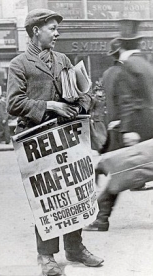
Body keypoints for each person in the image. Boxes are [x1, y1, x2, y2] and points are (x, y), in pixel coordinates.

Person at [7, 8, 104, 276]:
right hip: (38, 141)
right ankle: (46, 255)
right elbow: (13, 104)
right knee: (48, 197)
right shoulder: (19, 64)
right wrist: (52, 106)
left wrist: (79, 105)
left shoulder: (63, 59)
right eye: (52, 28)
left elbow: (85, 91)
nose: (57, 33)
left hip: (67, 136)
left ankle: (75, 248)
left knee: (73, 191)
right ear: (36, 30)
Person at [84, 19, 153, 232]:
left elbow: (128, 102)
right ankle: (101, 217)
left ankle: (101, 218)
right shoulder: (147, 65)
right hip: (150, 128)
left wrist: (128, 130)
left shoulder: (127, 67)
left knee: (119, 171)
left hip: (134, 131)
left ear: (121, 45)